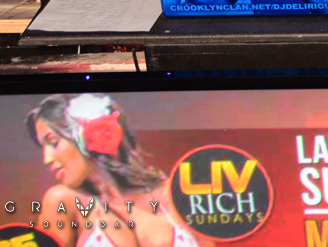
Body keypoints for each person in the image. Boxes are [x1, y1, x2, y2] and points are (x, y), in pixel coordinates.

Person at [26, 93, 212, 247]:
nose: (47, 159)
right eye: (43, 147)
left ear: (83, 135)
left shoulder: (172, 194)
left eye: (53, 142)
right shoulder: (62, 201)